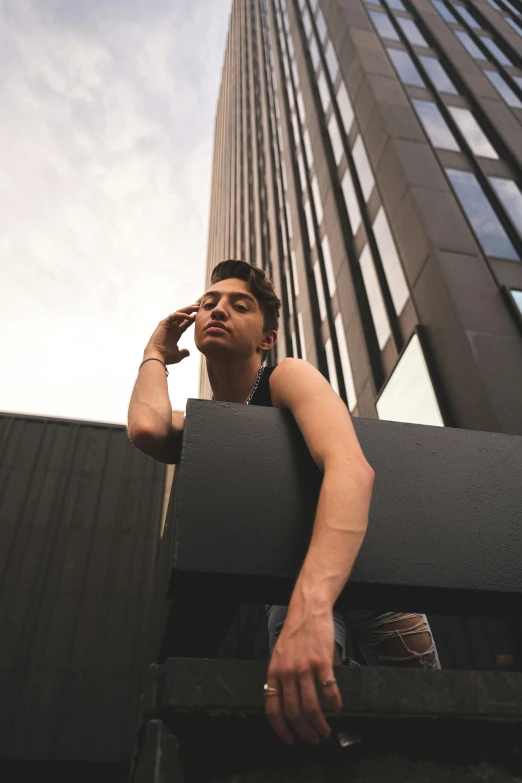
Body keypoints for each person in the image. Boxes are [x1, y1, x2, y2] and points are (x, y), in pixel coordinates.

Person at [127, 259, 441, 748]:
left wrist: (311, 608)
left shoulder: (285, 377)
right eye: (208, 303)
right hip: (290, 595)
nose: (218, 310)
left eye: (239, 304)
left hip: (363, 577)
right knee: (319, 741)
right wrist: (155, 354)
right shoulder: (210, 423)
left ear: (266, 339)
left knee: (426, 737)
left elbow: (351, 468)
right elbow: (147, 428)